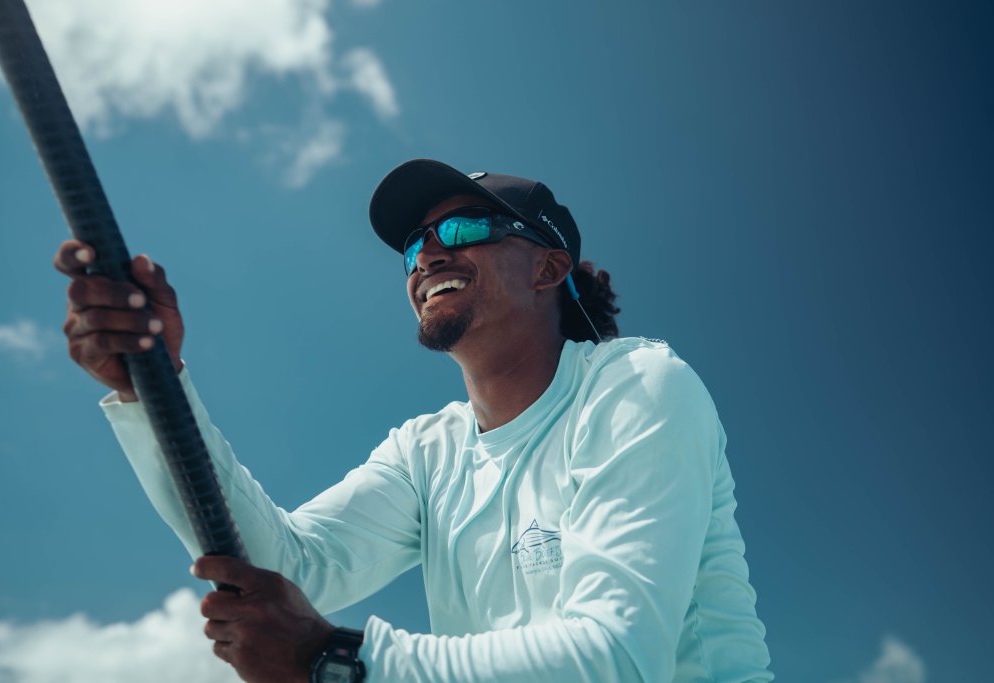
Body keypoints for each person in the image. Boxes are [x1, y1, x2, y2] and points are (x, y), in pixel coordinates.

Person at [54, 159, 774, 682]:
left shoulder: (639, 385)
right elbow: (283, 567)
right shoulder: (427, 452)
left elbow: (616, 658)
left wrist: (331, 657)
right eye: (413, 244)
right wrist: (155, 389)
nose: (428, 253)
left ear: (548, 269)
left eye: (463, 227)